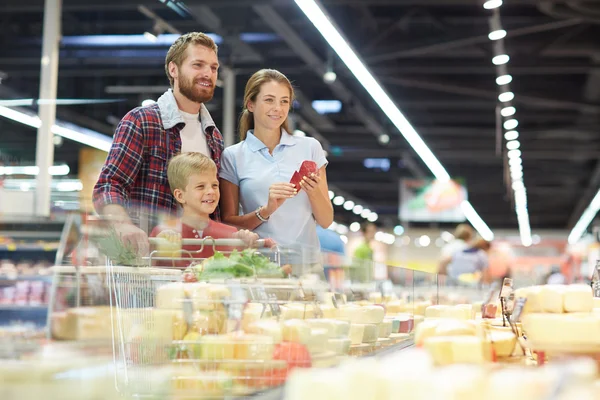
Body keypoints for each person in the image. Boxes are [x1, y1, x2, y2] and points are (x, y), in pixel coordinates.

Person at [93, 32, 224, 256]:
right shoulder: (142, 121)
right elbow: (109, 186)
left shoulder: (214, 137)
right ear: (173, 69)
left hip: (195, 263)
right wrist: (123, 224)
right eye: (198, 65)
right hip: (147, 262)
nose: (207, 74)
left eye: (213, 67)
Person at [218, 69, 333, 277]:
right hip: (258, 267)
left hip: (308, 268)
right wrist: (266, 210)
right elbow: (228, 223)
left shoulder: (310, 148)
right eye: (269, 100)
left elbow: (326, 220)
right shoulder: (233, 156)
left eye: (284, 101)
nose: (277, 109)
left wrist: (313, 191)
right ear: (250, 104)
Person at [149, 152, 275, 266]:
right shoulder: (163, 232)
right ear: (180, 195)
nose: (210, 191)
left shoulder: (231, 234)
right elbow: (149, 270)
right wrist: (158, 244)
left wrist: (250, 242)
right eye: (200, 186)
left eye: (214, 185)